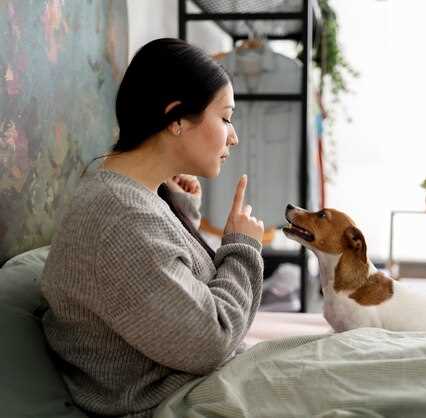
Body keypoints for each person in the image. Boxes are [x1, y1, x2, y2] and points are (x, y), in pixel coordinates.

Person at [40, 38, 265, 418]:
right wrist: (242, 248)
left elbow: (160, 278)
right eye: (225, 117)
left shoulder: (129, 201)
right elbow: (211, 340)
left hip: (196, 388)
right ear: (176, 118)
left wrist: (179, 210)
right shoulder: (120, 219)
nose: (233, 135)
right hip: (174, 402)